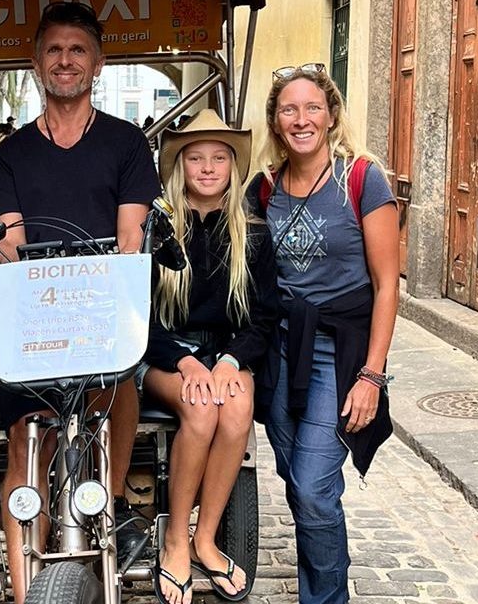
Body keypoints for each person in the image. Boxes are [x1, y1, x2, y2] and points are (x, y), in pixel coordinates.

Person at [0, 0, 161, 604]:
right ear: (36, 62)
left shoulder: (126, 143)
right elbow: (14, 241)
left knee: (119, 380)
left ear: (97, 64)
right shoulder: (13, 151)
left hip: (102, 311)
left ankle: (116, 501)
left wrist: (93, 291)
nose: (65, 61)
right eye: (54, 50)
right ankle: (27, 589)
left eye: (77, 51)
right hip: (38, 312)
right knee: (26, 435)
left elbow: (129, 241)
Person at [246, 63, 399, 604]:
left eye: (313, 107)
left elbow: (386, 286)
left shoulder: (360, 179)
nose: (302, 118)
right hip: (282, 351)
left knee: (313, 486)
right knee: (298, 481)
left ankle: (327, 597)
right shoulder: (264, 189)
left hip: (340, 352)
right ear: (275, 121)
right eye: (290, 109)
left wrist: (372, 376)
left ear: (331, 116)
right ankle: (325, 572)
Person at [142, 110, 278, 604]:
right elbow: (137, 314)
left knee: (237, 409)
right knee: (200, 411)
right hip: (163, 355)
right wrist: (184, 360)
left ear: (232, 166)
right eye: (195, 157)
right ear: (180, 165)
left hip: (225, 353)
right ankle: (177, 538)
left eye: (218, 157)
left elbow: (263, 317)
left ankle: (207, 537)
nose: (206, 167)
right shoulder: (156, 230)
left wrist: (229, 360)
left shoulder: (253, 234)